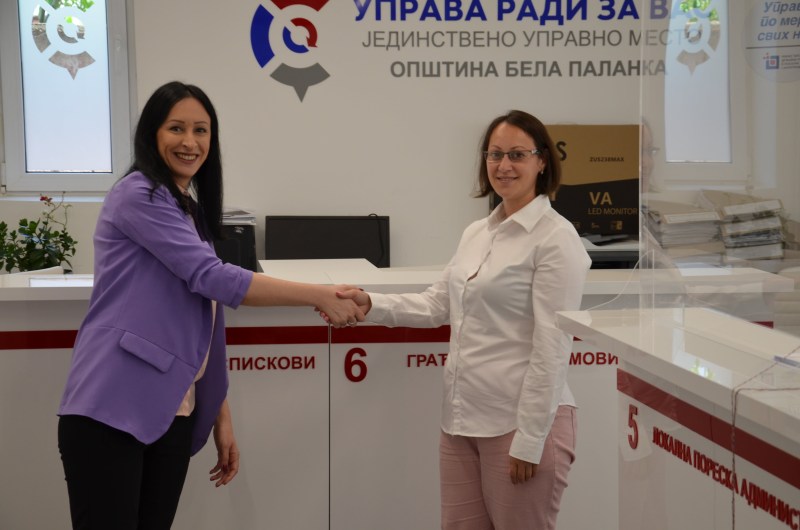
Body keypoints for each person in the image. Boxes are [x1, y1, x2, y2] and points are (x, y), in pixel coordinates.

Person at [57, 81, 364, 530]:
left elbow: (205, 319)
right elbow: (213, 278)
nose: (190, 142)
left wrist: (219, 411)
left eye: (201, 130)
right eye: (176, 128)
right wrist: (319, 294)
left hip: (173, 408)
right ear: (151, 134)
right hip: (113, 404)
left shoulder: (188, 209)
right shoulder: (137, 194)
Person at [333, 110, 591, 529]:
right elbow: (438, 304)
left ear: (542, 161)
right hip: (460, 422)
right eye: (494, 154)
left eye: (517, 154)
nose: (504, 165)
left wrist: (530, 440)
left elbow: (552, 346)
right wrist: (370, 303)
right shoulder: (477, 232)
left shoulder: (556, 238)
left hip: (519, 427)